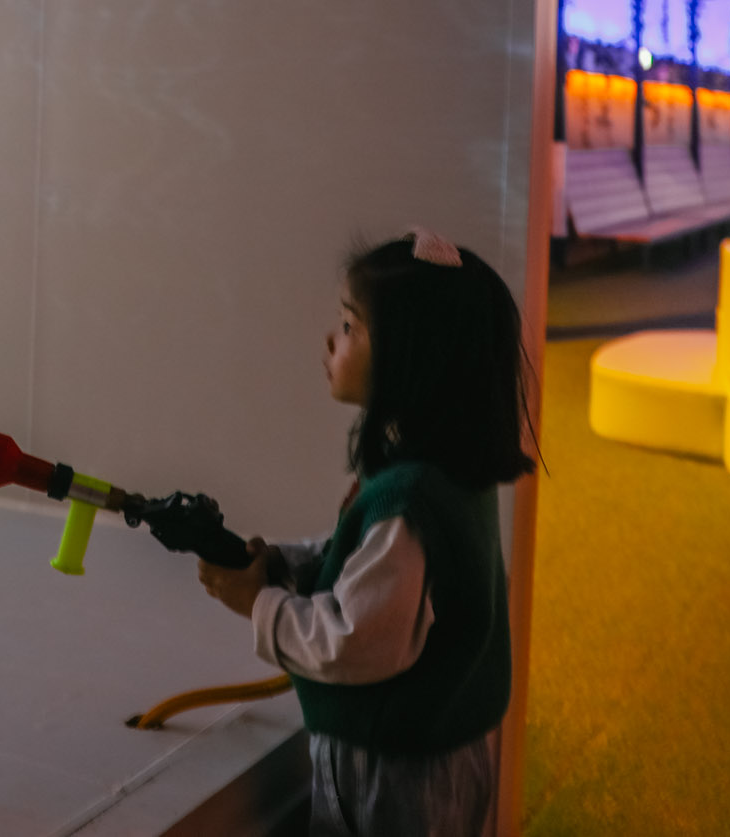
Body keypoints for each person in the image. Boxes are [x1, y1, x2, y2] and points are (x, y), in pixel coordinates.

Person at [190, 229, 538, 837]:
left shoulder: (411, 499)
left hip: (392, 775)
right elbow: (368, 567)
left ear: (409, 358)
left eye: (350, 326)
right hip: (438, 757)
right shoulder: (442, 472)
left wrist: (259, 604)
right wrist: (286, 564)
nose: (331, 339)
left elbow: (355, 642)